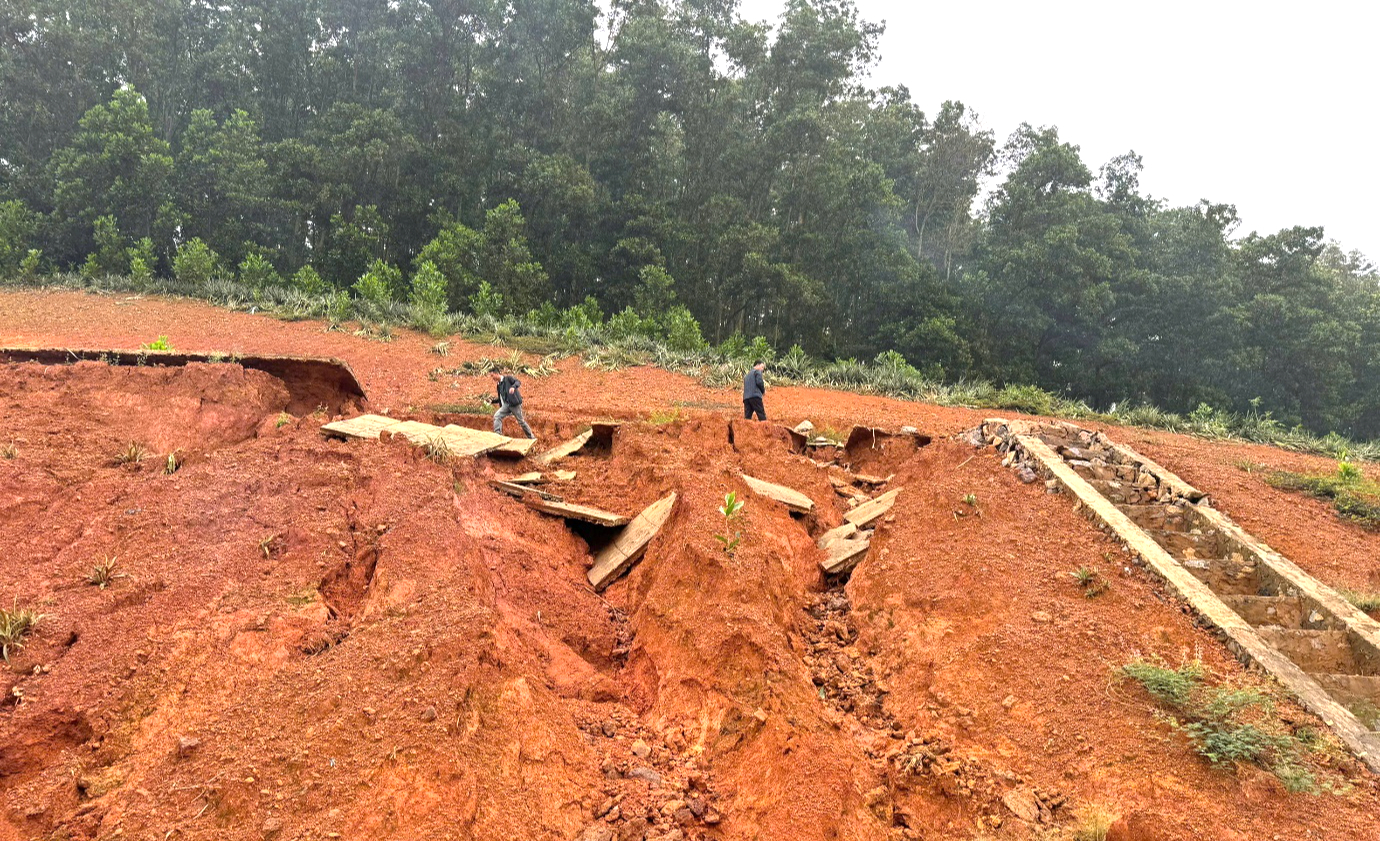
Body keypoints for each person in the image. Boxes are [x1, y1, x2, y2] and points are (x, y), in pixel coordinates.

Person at [490, 369, 535, 439]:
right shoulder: (499, 385)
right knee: (497, 416)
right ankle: (498, 435)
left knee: (521, 421)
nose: (492, 378)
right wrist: (492, 401)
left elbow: (518, 382)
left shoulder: (508, 378)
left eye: (492, 375)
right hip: (506, 405)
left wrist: (513, 387)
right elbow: (501, 397)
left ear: (497, 374)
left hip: (514, 404)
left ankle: (531, 437)